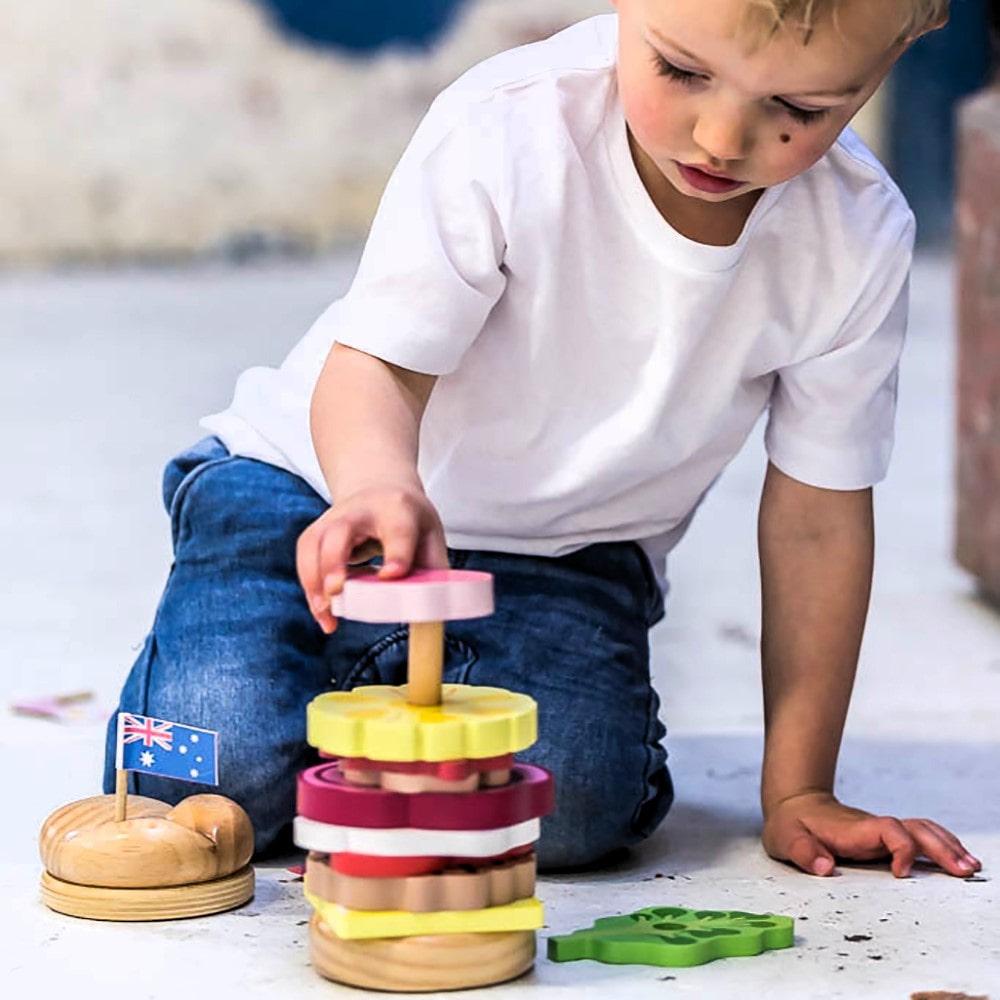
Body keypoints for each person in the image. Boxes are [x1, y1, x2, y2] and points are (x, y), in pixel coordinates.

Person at [105, 0, 983, 878]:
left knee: (567, 812)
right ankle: (334, 684)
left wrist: (799, 791)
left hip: (566, 556)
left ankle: (364, 699)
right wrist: (377, 485)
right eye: (681, 71)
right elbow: (376, 369)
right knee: (193, 789)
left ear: (903, 48)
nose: (721, 137)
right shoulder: (512, 125)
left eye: (800, 110)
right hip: (311, 492)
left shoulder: (858, 238)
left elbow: (817, 519)